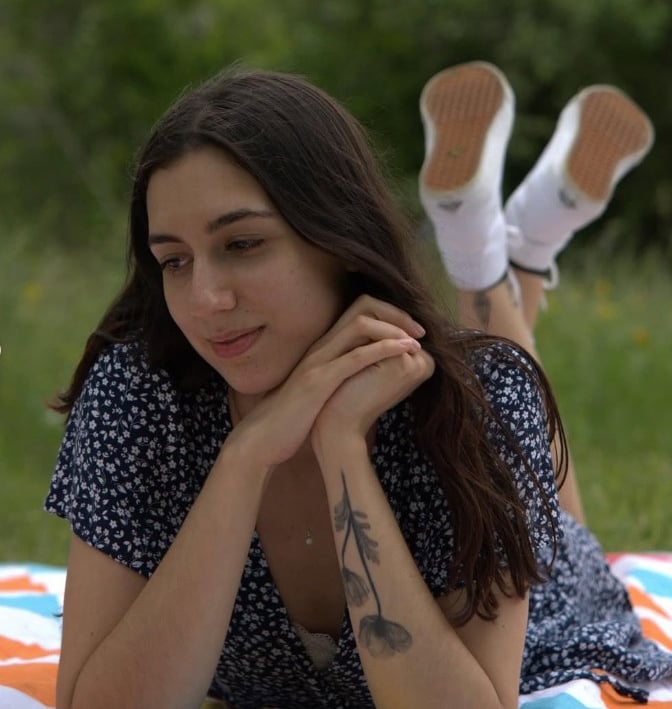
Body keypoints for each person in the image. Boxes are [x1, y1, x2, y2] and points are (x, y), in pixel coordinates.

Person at [44, 61, 671, 709]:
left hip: (548, 604)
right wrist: (245, 457)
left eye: (243, 244)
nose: (205, 299)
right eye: (174, 260)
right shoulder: (139, 394)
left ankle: (499, 255)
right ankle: (500, 249)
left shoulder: (479, 393)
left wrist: (344, 448)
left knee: (513, 428)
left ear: (338, 239)